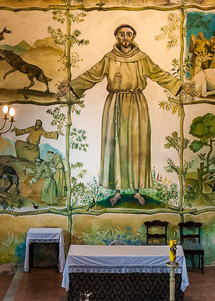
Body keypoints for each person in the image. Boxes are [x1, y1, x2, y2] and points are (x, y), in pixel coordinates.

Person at [58, 24, 196, 206]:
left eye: (129, 34)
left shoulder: (142, 58)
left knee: (137, 148)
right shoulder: (109, 58)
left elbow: (159, 74)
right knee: (116, 146)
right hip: (115, 104)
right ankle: (117, 192)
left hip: (137, 104)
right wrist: (73, 85)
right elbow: (93, 74)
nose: (125, 37)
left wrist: (179, 85)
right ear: (116, 36)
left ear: (133, 37)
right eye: (122, 34)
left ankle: (138, 191)